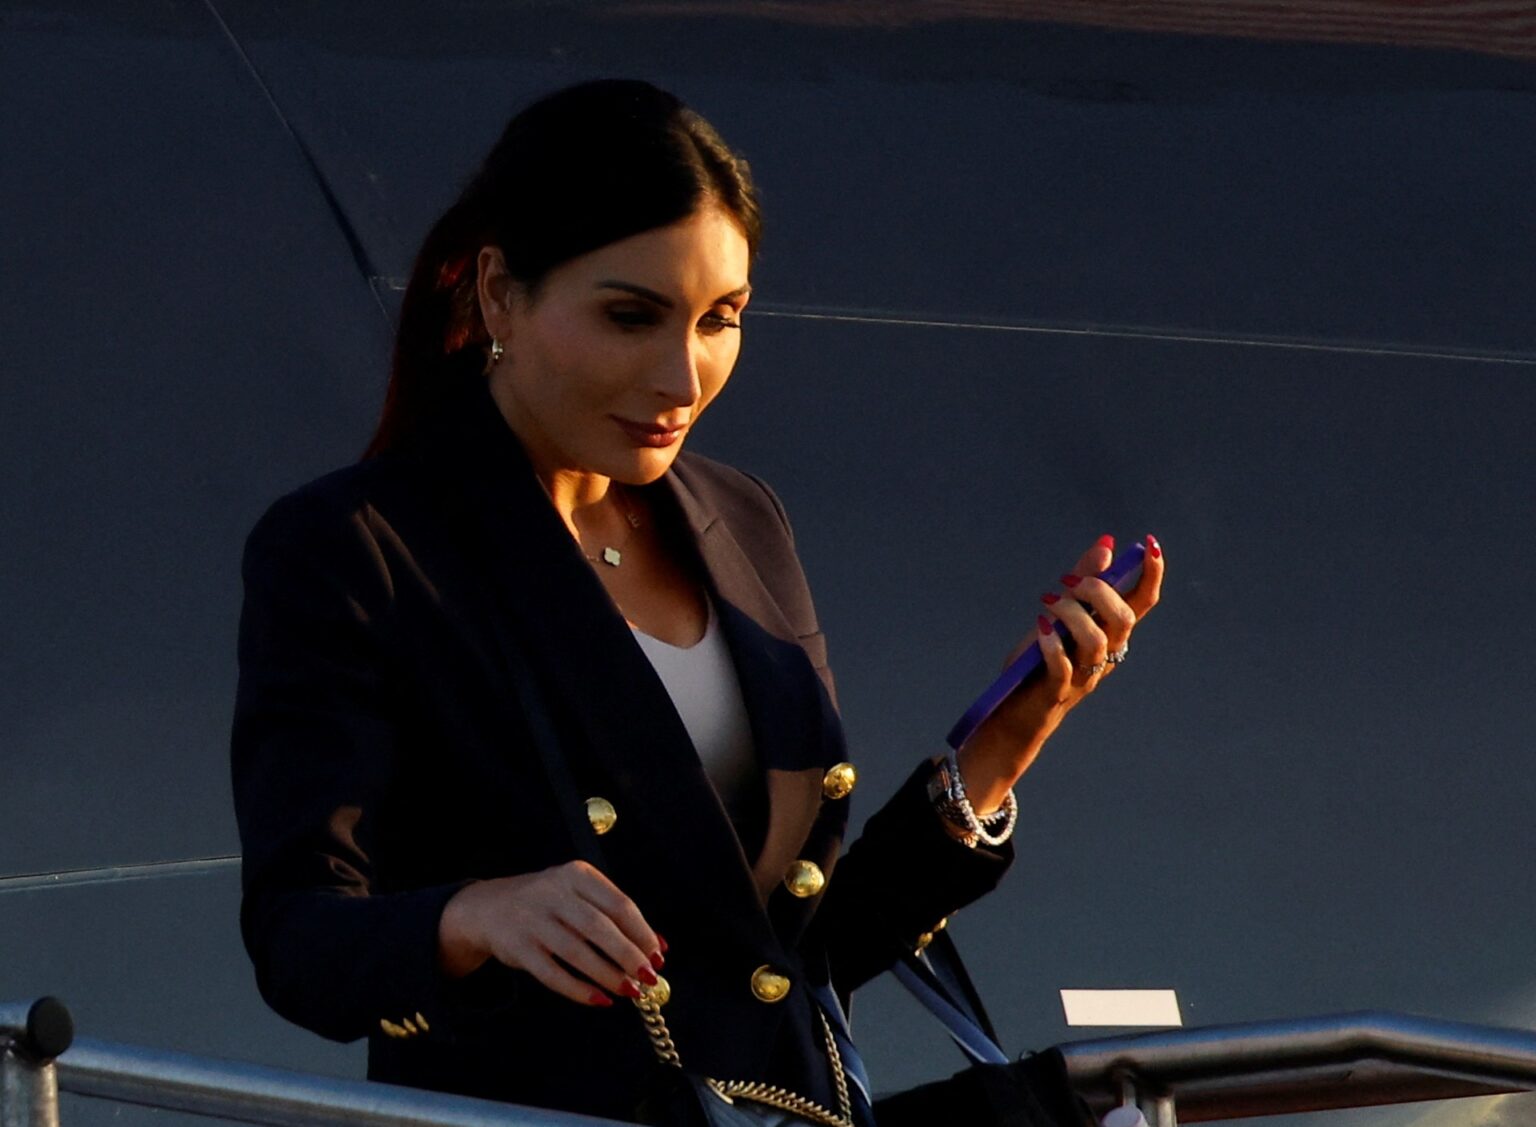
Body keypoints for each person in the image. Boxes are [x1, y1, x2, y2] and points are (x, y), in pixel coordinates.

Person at [231, 79, 1163, 1127]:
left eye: (721, 319)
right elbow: (299, 939)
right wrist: (477, 915)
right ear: (498, 294)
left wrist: (1007, 739)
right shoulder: (359, 547)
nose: (684, 376)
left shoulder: (741, 517)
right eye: (631, 316)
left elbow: (785, 960)